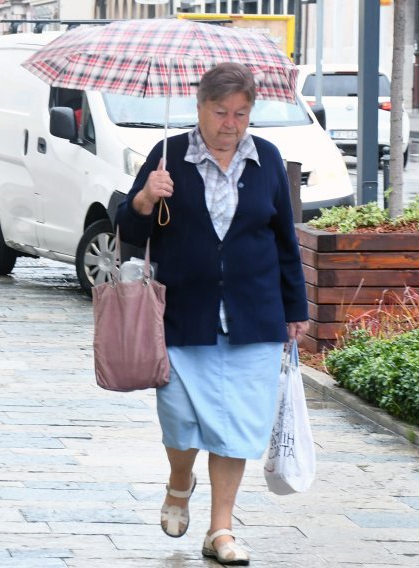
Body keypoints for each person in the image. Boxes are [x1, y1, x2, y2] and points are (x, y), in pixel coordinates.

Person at [115, 62, 309, 566]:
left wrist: (296, 308)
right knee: (179, 419)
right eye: (221, 112)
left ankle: (220, 530)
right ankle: (180, 481)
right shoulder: (168, 158)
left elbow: (285, 242)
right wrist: (143, 198)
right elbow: (129, 238)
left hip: (254, 316)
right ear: (199, 108)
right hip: (183, 312)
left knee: (237, 426)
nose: (231, 123)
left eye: (241, 114)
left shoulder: (266, 159)